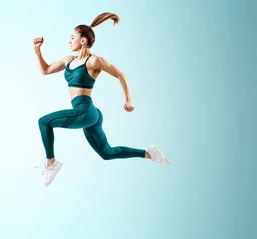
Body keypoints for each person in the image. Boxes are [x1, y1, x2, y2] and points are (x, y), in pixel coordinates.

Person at [33, 12, 170, 187]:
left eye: (72, 37)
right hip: (90, 114)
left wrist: (128, 100)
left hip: (84, 111)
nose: (69, 41)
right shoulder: (69, 60)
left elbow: (121, 74)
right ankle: (150, 153)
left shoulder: (93, 61)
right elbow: (45, 70)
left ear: (83, 40)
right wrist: (37, 50)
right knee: (107, 153)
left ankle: (51, 162)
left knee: (44, 122)